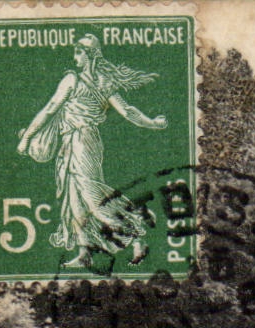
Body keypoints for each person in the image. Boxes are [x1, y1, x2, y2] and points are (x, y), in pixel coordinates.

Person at [16, 35, 168, 269]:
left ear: (90, 55)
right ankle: (84, 252)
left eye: (79, 52)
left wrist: (27, 138)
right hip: (74, 141)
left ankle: (136, 236)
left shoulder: (73, 79)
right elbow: (128, 111)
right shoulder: (102, 81)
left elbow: (49, 110)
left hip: (83, 141)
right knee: (74, 200)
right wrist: (153, 123)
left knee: (92, 197)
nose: (75, 57)